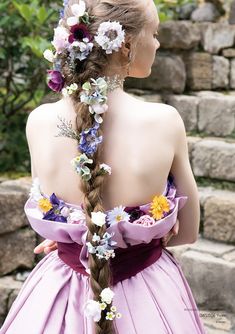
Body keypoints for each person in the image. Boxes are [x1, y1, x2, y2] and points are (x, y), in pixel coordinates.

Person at [0, 0, 206, 333]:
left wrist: (80, 239)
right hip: (146, 294)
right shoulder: (164, 121)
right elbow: (189, 231)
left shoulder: (38, 122)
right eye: (154, 33)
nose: (157, 43)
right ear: (125, 44)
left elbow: (45, 214)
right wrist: (135, 240)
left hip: (59, 293)